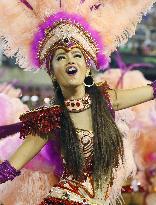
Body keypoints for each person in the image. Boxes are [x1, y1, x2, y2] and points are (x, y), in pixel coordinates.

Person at [0, 1, 156, 205]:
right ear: (52, 73)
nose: (70, 60)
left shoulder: (106, 101)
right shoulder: (49, 120)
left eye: (76, 55)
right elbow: (9, 167)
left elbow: (152, 90)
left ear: (86, 65)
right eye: (60, 57)